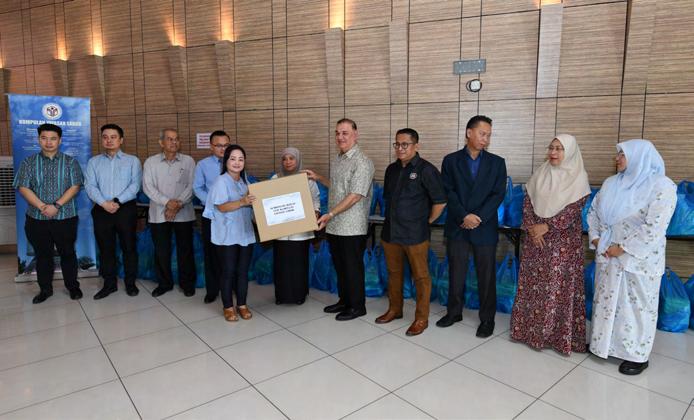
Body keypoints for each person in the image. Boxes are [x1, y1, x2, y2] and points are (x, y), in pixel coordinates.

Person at [587, 139, 676, 375]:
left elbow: (655, 227)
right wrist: (596, 238)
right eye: (617, 154)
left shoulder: (661, 186)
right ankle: (602, 345)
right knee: (606, 303)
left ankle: (637, 356)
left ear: (639, 157)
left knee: (635, 307)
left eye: (622, 154)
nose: (617, 159)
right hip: (608, 255)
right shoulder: (611, 183)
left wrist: (623, 247)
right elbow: (593, 212)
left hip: (637, 259)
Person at [510, 134, 591, 354]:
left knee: (557, 288)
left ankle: (555, 337)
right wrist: (532, 228)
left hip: (561, 243)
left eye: (559, 149)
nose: (553, 152)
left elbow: (573, 210)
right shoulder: (541, 172)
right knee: (533, 286)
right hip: (535, 240)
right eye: (551, 148)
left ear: (570, 152)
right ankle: (528, 332)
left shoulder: (578, 177)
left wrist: (547, 226)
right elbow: (527, 202)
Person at [437, 115, 507, 338]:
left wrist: (478, 217)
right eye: (482, 134)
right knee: (456, 271)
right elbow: (448, 191)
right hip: (458, 224)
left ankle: (487, 319)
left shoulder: (497, 163)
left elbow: (498, 194)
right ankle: (454, 312)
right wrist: (464, 215)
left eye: (489, 135)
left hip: (484, 226)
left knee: (486, 276)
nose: (485, 139)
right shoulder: (450, 160)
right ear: (469, 132)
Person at [375, 128, 447, 336]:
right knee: (394, 273)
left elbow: (440, 202)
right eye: (397, 144)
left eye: (405, 144)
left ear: (416, 146)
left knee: (421, 277)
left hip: (415, 234)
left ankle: (421, 318)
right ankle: (395, 309)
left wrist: (427, 221)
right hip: (391, 232)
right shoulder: (391, 169)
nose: (400, 148)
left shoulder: (427, 170)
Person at [306, 118, 375, 321]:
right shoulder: (338, 159)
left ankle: (357, 306)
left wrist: (330, 214)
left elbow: (355, 195)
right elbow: (338, 187)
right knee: (340, 266)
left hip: (352, 226)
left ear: (355, 134)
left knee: (352, 267)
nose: (340, 137)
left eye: (345, 133)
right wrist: (319, 178)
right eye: (337, 133)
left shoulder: (362, 162)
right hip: (335, 224)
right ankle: (345, 301)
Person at [13, 123, 84, 304]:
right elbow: (23, 187)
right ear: (39, 139)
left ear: (60, 140)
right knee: (43, 255)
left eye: (53, 138)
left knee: (68, 253)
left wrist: (56, 205)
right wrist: (43, 206)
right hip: (37, 218)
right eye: (44, 138)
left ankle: (73, 287)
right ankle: (45, 289)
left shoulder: (70, 162)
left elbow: (75, 186)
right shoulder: (29, 162)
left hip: (65, 217)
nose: (48, 142)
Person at [85, 124, 142, 299]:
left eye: (113, 137)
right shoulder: (93, 162)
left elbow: (135, 185)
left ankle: (130, 283)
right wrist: (104, 203)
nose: (109, 140)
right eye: (105, 137)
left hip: (125, 209)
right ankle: (109, 285)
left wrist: (117, 201)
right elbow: (90, 186)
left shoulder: (132, 161)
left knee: (129, 247)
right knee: (106, 249)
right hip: (102, 210)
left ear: (121, 140)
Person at [203, 144, 256, 321]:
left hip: (245, 233)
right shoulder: (221, 181)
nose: (237, 162)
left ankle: (242, 304)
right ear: (226, 161)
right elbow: (221, 206)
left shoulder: (245, 182)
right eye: (233, 159)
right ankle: (227, 306)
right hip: (227, 235)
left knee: (242, 271)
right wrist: (242, 202)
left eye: (241, 159)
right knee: (228, 271)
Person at [142, 128, 196, 298]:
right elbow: (148, 187)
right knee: (161, 251)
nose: (174, 142)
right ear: (161, 143)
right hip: (159, 214)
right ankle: (164, 283)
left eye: (176, 139)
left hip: (184, 213)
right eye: (170, 139)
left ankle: (187, 284)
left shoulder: (188, 161)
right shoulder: (151, 162)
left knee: (185, 250)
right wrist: (168, 203)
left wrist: (177, 204)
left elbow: (192, 186)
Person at [271, 147, 320, 305]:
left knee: (299, 263)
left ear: (297, 160)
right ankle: (281, 296)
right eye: (284, 159)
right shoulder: (276, 178)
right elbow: (269, 200)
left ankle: (299, 295)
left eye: (291, 158)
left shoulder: (307, 179)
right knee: (281, 263)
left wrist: (316, 212)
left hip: (300, 230)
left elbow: (315, 199)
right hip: (281, 231)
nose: (288, 162)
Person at [193, 130, 231, 304]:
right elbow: (197, 188)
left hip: (232, 214)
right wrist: (212, 203)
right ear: (211, 146)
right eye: (218, 145)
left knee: (230, 253)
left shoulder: (235, 161)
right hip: (211, 214)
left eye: (226, 145)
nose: (223, 149)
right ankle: (212, 290)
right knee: (211, 253)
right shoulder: (203, 165)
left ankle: (231, 287)